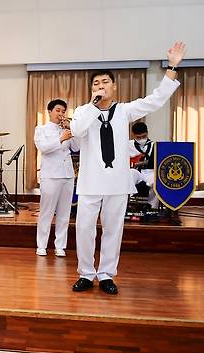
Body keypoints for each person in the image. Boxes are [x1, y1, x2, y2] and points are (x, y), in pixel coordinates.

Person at [70, 41, 186, 295]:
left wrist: (171, 67)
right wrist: (91, 105)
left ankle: (107, 274)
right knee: (84, 229)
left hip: (116, 182)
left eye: (104, 83)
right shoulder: (83, 111)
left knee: (113, 229)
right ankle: (86, 274)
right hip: (90, 182)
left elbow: (155, 100)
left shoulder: (124, 111)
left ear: (114, 86)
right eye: (95, 84)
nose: (100, 87)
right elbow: (76, 132)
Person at [34, 99, 79, 257]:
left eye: (63, 111)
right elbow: (44, 149)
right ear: (50, 112)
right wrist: (61, 138)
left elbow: (77, 147)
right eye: (58, 110)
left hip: (67, 175)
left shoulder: (66, 129)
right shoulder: (41, 129)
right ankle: (42, 245)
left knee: (64, 213)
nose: (61, 114)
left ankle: (60, 246)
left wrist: (72, 132)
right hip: (50, 175)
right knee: (47, 212)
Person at [128, 121, 159, 208]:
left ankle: (152, 207)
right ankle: (130, 202)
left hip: (150, 172)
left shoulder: (155, 145)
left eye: (144, 136)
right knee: (130, 173)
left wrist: (141, 162)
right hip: (137, 172)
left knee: (157, 181)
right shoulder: (128, 145)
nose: (141, 139)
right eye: (138, 137)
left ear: (147, 133)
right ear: (133, 135)